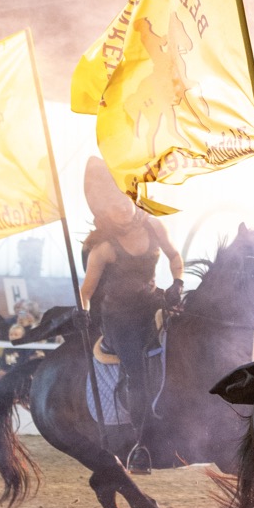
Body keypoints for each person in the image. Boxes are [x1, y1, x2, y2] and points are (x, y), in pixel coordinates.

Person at [80, 157, 183, 474]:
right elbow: (86, 291)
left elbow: (174, 256)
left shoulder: (153, 224)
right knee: (137, 375)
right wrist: (84, 311)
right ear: (105, 212)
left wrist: (177, 283)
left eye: (124, 201)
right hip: (120, 319)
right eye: (114, 207)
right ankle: (142, 445)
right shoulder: (103, 249)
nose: (122, 209)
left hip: (152, 303)